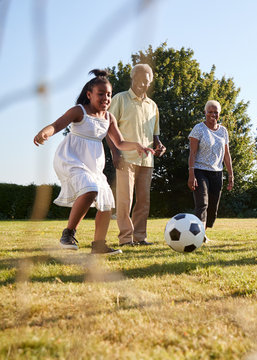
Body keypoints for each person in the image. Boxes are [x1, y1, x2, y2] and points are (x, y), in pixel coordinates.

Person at [33, 69, 154, 254]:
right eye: (101, 94)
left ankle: (98, 245)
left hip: (94, 165)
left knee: (106, 202)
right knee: (90, 190)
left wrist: (137, 146)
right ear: (89, 95)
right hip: (71, 158)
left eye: (109, 95)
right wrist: (45, 133)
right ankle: (68, 233)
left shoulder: (108, 118)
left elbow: (119, 143)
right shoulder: (79, 111)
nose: (106, 98)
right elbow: (57, 125)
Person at [107, 64, 166, 247]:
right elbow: (108, 129)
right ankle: (126, 239)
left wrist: (159, 144)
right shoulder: (120, 99)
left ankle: (139, 237)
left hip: (147, 160)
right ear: (132, 78)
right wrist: (115, 154)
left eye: (146, 82)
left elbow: (155, 134)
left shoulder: (153, 105)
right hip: (125, 158)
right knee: (125, 201)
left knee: (143, 201)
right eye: (139, 80)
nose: (142, 84)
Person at [188, 100, 234, 242]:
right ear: (205, 113)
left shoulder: (223, 131)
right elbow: (193, 153)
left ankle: (202, 233)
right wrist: (191, 174)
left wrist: (230, 174)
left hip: (217, 172)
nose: (213, 115)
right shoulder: (198, 129)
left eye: (216, 112)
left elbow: (226, 154)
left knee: (213, 208)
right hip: (200, 170)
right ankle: (198, 236)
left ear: (219, 114)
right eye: (210, 112)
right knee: (203, 203)